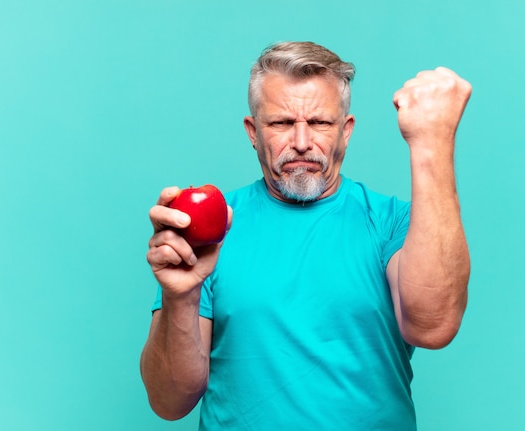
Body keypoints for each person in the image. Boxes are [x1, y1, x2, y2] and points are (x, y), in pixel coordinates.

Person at [141, 41, 471, 430]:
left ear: (346, 131)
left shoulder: (393, 224)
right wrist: (180, 296)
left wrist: (432, 141)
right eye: (281, 123)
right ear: (253, 131)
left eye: (320, 123)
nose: (301, 142)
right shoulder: (210, 232)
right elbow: (169, 401)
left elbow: (432, 327)